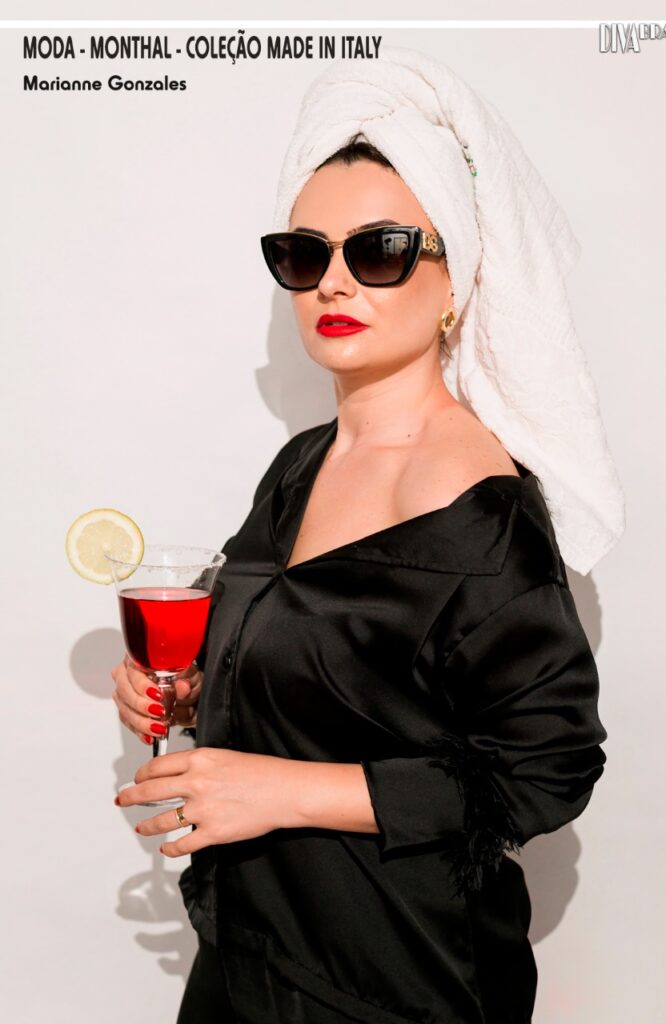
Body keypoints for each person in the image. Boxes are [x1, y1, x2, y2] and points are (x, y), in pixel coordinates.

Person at [112, 47, 621, 1024]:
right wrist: (181, 687)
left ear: (454, 278)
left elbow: (546, 770)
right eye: (305, 255)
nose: (333, 284)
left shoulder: (479, 507)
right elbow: (301, 666)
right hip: (249, 953)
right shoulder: (300, 465)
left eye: (379, 250)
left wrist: (285, 793)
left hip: (395, 981)